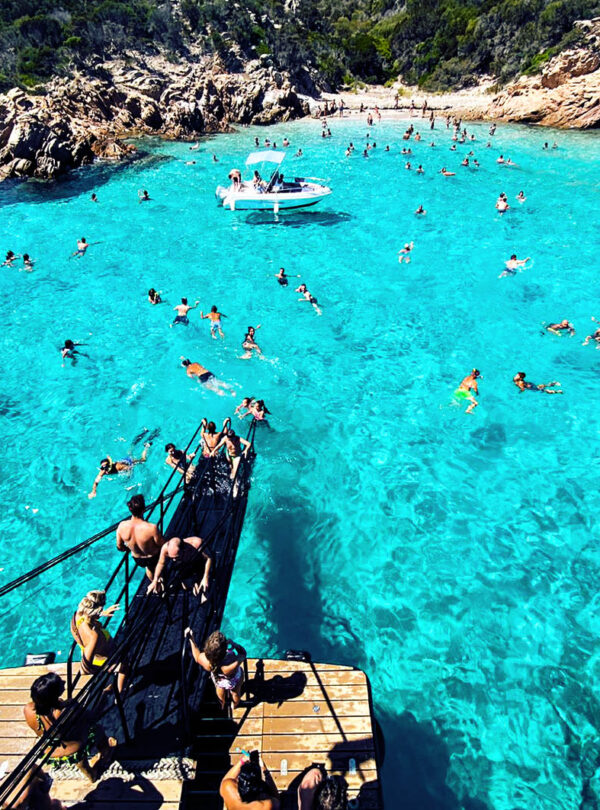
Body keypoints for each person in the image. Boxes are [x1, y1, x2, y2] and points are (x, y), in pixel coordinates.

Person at [24, 672, 116, 781]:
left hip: (51, 749)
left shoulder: (28, 709)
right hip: (73, 749)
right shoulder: (67, 711)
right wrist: (104, 694)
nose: (64, 682)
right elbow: (91, 717)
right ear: (54, 695)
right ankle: (105, 751)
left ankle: (90, 775)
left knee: (78, 753)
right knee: (96, 729)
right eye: (60, 684)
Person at [69, 590, 127, 692]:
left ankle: (113, 684)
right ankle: (120, 691)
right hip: (106, 658)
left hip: (98, 652)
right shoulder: (93, 636)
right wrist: (106, 669)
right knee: (124, 667)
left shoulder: (77, 616)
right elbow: (84, 670)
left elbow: (87, 616)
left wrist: (102, 613)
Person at [186, 629, 247, 710]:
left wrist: (191, 639)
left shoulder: (207, 663)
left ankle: (222, 705)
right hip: (234, 680)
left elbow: (197, 656)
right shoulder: (231, 662)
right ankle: (235, 705)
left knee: (219, 690)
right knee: (236, 692)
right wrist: (234, 644)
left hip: (218, 680)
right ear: (224, 652)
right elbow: (243, 653)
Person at [116, 494, 164, 579]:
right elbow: (161, 544)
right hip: (154, 557)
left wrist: (129, 549)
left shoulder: (121, 526)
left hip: (138, 559)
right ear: (144, 510)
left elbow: (119, 547)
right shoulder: (151, 528)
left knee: (148, 568)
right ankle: (160, 580)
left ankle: (155, 585)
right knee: (158, 564)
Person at [147, 536, 212, 599]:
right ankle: (193, 584)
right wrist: (155, 580)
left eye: (176, 557)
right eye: (172, 558)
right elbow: (161, 563)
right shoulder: (165, 548)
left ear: (183, 549)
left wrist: (205, 577)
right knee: (185, 586)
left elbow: (208, 558)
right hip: (183, 563)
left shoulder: (196, 543)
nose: (174, 560)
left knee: (204, 590)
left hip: (198, 561)